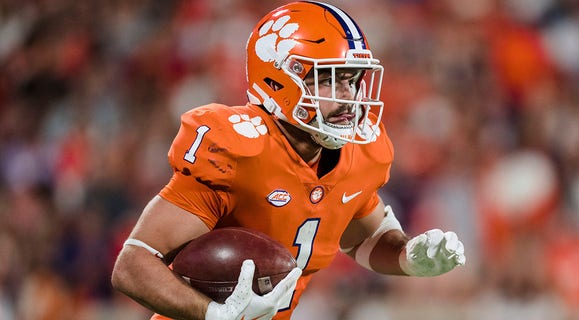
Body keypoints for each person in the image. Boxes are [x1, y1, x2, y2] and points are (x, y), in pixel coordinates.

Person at [111, 2, 466, 320]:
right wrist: (213, 314)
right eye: (331, 80)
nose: (350, 97)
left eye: (352, 80)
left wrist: (409, 256)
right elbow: (132, 265)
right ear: (280, 79)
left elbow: (364, 239)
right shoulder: (238, 152)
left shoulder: (359, 155)